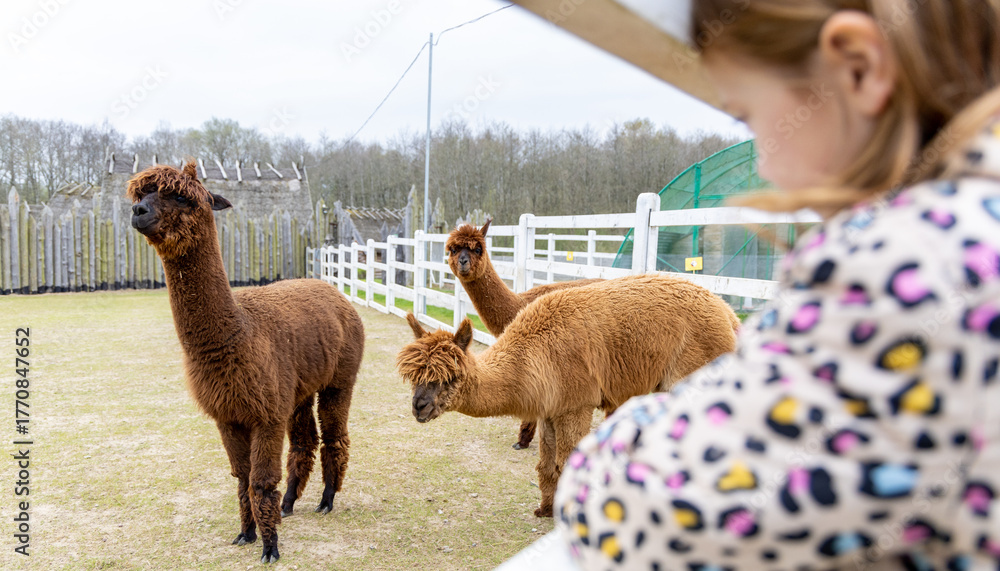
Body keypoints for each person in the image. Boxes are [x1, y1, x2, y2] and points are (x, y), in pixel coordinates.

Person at [553, 1, 1000, 569]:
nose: (765, 160)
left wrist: (632, 429)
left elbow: (658, 521)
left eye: (750, 118)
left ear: (858, 66)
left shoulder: (901, 271)